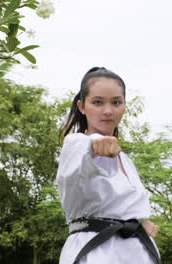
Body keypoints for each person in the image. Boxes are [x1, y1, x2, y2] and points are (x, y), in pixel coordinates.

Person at [56, 67, 161, 264]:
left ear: (124, 106)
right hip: (96, 252)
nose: (108, 110)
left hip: (138, 253)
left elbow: (120, 205)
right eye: (97, 102)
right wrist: (95, 143)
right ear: (82, 106)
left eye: (116, 102)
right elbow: (85, 146)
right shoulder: (76, 145)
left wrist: (139, 221)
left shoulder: (126, 161)